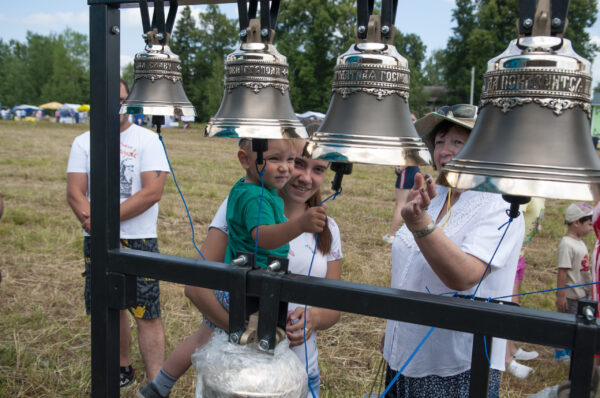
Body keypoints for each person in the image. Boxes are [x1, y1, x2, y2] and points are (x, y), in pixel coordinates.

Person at [139, 141, 342, 398]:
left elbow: (333, 308)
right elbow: (196, 287)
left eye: (319, 169)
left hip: (299, 373)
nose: (304, 176)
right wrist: (243, 332)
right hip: (237, 373)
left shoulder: (327, 228)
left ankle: (159, 385)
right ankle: (160, 386)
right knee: (203, 335)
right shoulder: (247, 202)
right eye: (299, 163)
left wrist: (314, 318)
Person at [382, 104, 525, 398]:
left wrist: (420, 224)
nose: (445, 150)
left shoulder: (499, 206)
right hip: (405, 353)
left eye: (458, 142)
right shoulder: (436, 197)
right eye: (439, 141)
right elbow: (410, 269)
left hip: (456, 365)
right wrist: (395, 330)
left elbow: (463, 275)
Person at [67, 78, 170, 387]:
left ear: (131, 102)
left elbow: (152, 192)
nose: (117, 107)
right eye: (111, 100)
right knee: (110, 307)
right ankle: (122, 367)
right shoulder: (83, 142)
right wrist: (94, 222)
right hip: (96, 238)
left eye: (123, 100)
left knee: (146, 310)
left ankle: (157, 382)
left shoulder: (147, 140)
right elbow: (75, 192)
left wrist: (103, 220)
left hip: (138, 238)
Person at [505, 198, 545, 379]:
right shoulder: (525, 188)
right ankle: (505, 359)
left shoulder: (541, 191)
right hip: (510, 255)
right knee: (507, 306)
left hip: (520, 254)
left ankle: (511, 348)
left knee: (515, 304)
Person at [554, 202, 593, 363]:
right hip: (570, 296)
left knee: (576, 324)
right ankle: (560, 354)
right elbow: (562, 272)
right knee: (566, 324)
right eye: (589, 224)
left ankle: (570, 351)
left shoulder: (580, 241)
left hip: (582, 295)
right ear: (577, 222)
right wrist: (561, 296)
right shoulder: (566, 244)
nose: (591, 228)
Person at [382, 110, 421, 244]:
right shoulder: (415, 135)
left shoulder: (410, 136)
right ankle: (412, 234)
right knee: (412, 204)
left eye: (413, 119)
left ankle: (391, 235)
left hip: (407, 172)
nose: (411, 122)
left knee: (401, 204)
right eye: (408, 119)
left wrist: (400, 168)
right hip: (415, 171)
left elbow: (409, 155)